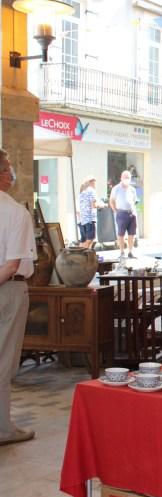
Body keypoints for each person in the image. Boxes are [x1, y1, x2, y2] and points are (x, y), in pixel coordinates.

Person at [0, 150, 37, 447]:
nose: (12, 174)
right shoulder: (14, 212)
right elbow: (12, 264)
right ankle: (3, 428)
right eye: (9, 169)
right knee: (3, 361)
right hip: (8, 290)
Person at [109, 170, 138, 258]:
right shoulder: (116, 188)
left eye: (128, 177)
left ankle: (130, 252)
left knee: (131, 234)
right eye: (125, 177)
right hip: (121, 213)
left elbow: (135, 200)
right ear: (121, 178)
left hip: (131, 214)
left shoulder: (132, 189)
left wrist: (133, 210)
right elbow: (112, 201)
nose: (126, 179)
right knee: (121, 234)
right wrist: (116, 211)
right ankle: (122, 252)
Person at [77, 175, 103, 249]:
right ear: (91, 183)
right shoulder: (91, 190)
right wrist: (102, 205)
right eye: (95, 183)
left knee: (84, 240)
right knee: (90, 239)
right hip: (89, 219)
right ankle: (82, 255)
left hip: (81, 220)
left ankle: (82, 256)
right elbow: (93, 205)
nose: (96, 185)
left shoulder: (82, 192)